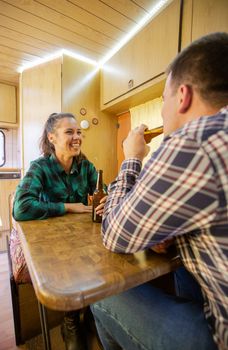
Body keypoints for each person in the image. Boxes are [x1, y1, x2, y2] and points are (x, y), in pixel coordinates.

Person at [91, 32, 228, 350]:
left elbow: (115, 235)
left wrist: (132, 158)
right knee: (186, 270)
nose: (164, 112)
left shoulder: (194, 140)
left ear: (182, 96)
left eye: (164, 100)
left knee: (103, 291)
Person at [10, 112, 105, 350]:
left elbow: (104, 192)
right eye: (69, 132)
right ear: (51, 137)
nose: (77, 137)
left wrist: (106, 199)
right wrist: (67, 207)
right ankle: (70, 322)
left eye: (79, 132)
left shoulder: (86, 167)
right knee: (70, 264)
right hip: (53, 243)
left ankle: (93, 314)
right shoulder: (40, 168)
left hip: (83, 237)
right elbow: (21, 208)